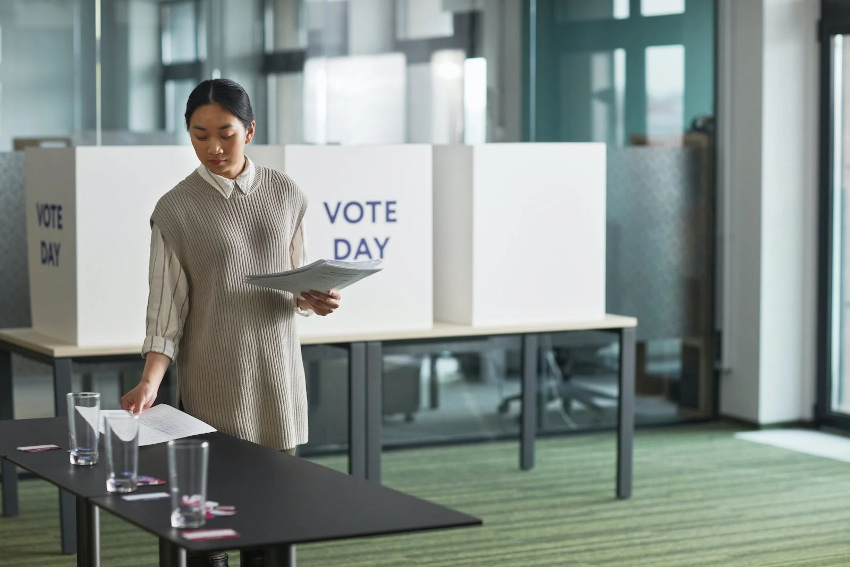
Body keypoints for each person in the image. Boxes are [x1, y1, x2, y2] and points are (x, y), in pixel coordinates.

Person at [121, 78, 341, 567]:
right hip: (213, 388)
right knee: (211, 530)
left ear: (251, 130)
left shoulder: (287, 194)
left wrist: (314, 300)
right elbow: (166, 310)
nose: (213, 147)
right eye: (199, 135)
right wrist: (149, 382)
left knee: (272, 523)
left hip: (276, 382)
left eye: (226, 133)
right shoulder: (175, 209)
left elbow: (296, 284)